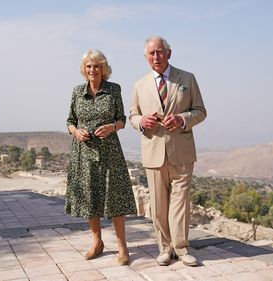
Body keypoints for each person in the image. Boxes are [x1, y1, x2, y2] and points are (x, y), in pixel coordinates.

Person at [129, 36, 207, 267]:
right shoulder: (139, 85)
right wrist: (142, 121)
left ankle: (182, 249)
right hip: (153, 152)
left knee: (180, 202)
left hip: (182, 152)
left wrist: (183, 119)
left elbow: (201, 111)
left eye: (160, 52)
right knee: (159, 204)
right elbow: (132, 116)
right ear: (146, 57)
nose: (156, 57)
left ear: (169, 53)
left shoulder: (188, 79)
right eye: (151, 53)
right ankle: (164, 248)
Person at [65, 49, 137, 266]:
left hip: (109, 153)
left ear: (104, 69)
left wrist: (112, 127)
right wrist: (76, 132)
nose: (92, 70)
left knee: (114, 196)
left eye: (97, 66)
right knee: (90, 197)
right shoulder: (77, 92)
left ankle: (122, 246)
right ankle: (97, 242)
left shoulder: (114, 90)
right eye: (89, 66)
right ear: (84, 69)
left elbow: (122, 119)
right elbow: (70, 120)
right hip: (84, 153)